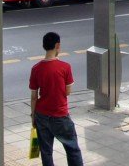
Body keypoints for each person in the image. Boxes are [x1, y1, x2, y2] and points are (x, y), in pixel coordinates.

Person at [29, 32, 83, 166]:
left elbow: (34, 97)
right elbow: (67, 92)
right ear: (57, 45)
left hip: (41, 115)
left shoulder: (36, 68)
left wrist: (33, 116)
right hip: (60, 115)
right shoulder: (65, 67)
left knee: (46, 151)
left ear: (44, 46)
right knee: (72, 149)